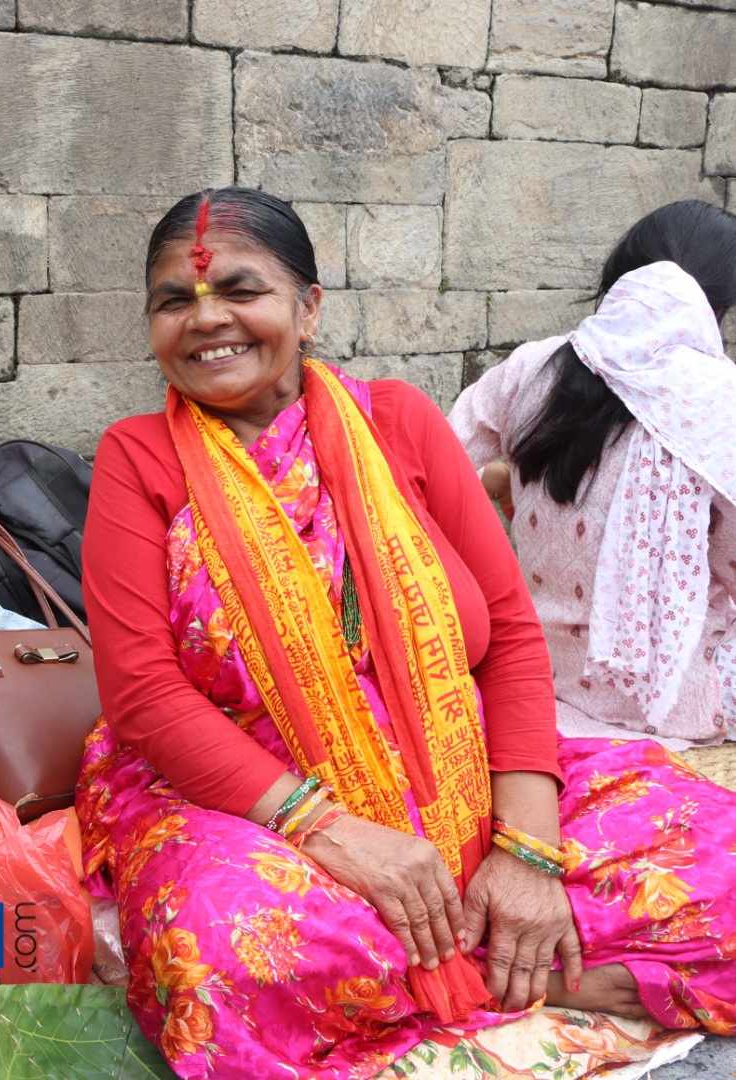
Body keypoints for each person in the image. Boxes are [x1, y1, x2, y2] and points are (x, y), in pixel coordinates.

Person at [77, 187, 736, 1077]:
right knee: (225, 949)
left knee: (720, 858)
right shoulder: (139, 458)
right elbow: (145, 696)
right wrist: (331, 832)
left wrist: (527, 854)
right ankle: (516, 973)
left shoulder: (399, 422)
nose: (206, 319)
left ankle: (470, 962)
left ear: (309, 308)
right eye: (174, 301)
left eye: (241, 290)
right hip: (250, 800)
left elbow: (509, 634)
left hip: (458, 767)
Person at [451, 201, 736, 749]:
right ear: (718, 304)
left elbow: (438, 458)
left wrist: (504, 481)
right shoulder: (719, 400)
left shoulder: (532, 365)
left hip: (542, 670)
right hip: (680, 700)